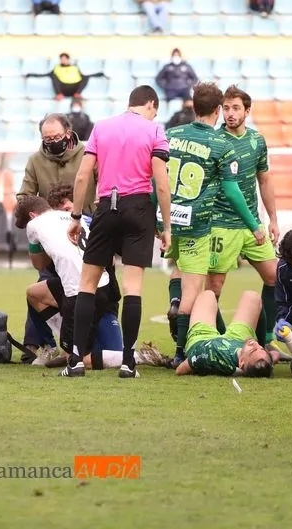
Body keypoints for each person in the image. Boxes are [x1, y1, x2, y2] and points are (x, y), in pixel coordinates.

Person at [63, 85, 172, 379]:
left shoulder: (101, 127)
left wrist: (76, 216)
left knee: (87, 284)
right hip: (138, 208)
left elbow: (83, 174)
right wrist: (167, 227)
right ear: (151, 104)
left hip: (105, 206)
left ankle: (74, 360)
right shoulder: (155, 131)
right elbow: (161, 183)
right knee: (133, 286)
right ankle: (128, 363)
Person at [163, 82, 265, 366]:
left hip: (170, 219)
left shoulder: (170, 135)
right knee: (193, 291)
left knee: (177, 270)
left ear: (193, 106)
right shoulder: (222, 144)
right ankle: (181, 353)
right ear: (218, 110)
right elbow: (232, 192)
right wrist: (254, 225)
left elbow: (155, 178)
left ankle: (173, 303)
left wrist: (158, 221)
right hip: (197, 223)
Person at [16, 194, 170, 370]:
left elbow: (39, 264)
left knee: (82, 359)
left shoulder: (35, 224)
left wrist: (36, 244)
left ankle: (140, 356)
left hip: (80, 293)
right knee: (34, 293)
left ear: (31, 216)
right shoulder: (76, 217)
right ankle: (67, 344)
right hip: (102, 284)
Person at [206, 86, 283, 359]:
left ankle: (267, 339)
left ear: (247, 111)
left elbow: (264, 179)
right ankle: (221, 340)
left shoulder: (257, 141)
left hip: (254, 225)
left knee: (275, 277)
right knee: (213, 288)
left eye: (235, 108)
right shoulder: (215, 142)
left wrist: (273, 219)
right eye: (226, 108)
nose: (230, 113)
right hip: (221, 224)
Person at [16, 114, 98, 358]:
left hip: (86, 234)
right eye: (47, 138)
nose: (52, 142)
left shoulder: (88, 154)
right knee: (42, 282)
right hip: (53, 239)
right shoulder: (35, 161)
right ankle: (35, 343)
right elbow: (24, 196)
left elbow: (101, 184)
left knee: (93, 286)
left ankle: (91, 337)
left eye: (57, 137)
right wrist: (46, 215)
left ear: (68, 132)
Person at [174, 290, 275, 377]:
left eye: (252, 351)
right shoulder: (247, 351)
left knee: (207, 295)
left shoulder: (214, 355)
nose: (254, 344)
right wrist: (270, 356)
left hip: (203, 339)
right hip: (238, 340)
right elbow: (266, 358)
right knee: (252, 296)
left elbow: (180, 370)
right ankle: (264, 345)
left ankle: (179, 353)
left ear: (241, 363)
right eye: (260, 348)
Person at [25, 53, 104, 100]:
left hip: (74, 89)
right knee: (53, 76)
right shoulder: (57, 67)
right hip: (63, 89)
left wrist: (99, 74)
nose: (63, 60)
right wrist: (31, 75)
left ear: (68, 59)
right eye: (61, 59)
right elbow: (46, 75)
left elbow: (84, 76)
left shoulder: (75, 67)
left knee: (85, 77)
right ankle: (59, 94)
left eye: (64, 59)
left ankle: (77, 94)